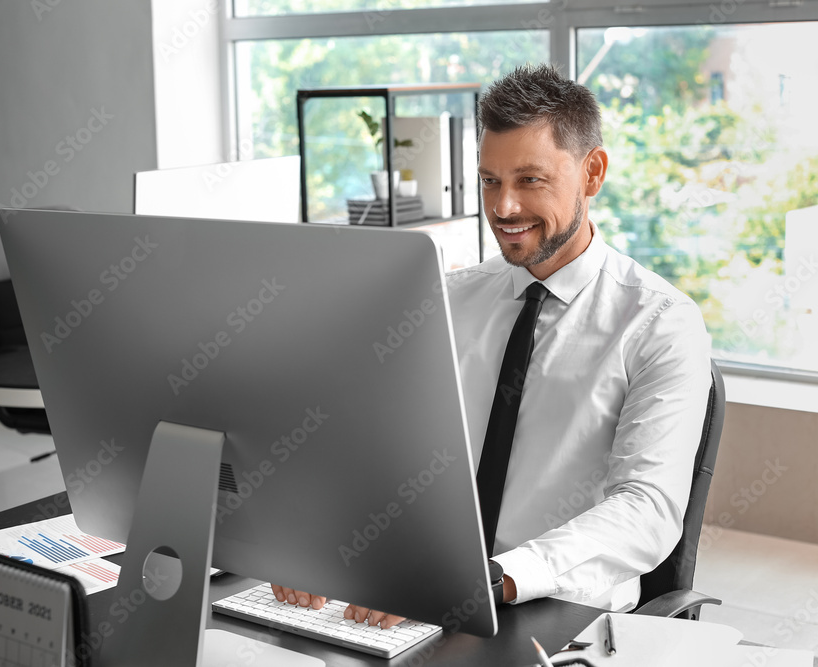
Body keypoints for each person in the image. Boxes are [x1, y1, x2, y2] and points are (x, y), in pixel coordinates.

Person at [273, 63, 712, 625]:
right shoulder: (444, 301)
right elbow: (376, 452)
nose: (503, 208)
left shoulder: (661, 323)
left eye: (530, 180)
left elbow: (646, 509)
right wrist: (314, 536)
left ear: (592, 172)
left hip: (560, 609)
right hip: (420, 590)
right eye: (489, 181)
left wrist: (492, 578)